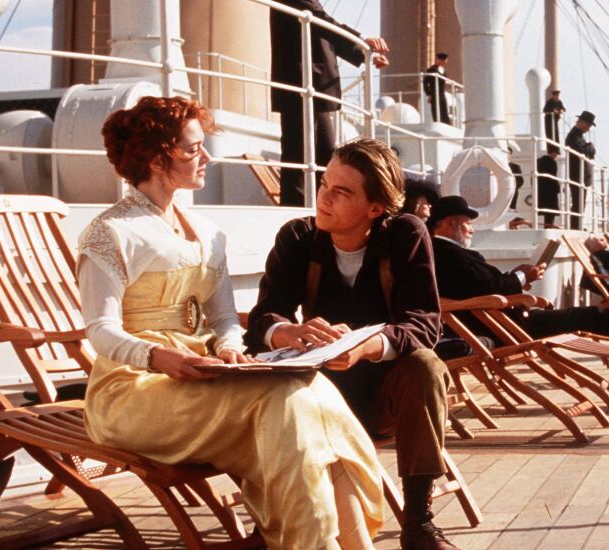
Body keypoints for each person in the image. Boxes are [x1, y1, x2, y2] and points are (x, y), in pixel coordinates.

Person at [80, 97, 383, 550]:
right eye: (193, 149)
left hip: (203, 376)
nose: (207, 156)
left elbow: (223, 316)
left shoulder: (207, 232)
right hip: (133, 390)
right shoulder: (111, 232)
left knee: (308, 388)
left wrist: (228, 348)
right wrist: (159, 356)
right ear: (158, 159)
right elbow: (100, 330)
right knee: (287, 404)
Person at [245, 139, 459, 549]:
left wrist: (365, 346)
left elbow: (423, 324)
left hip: (383, 396)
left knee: (426, 366)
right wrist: (289, 332)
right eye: (324, 184)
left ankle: (418, 522)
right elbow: (262, 319)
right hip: (315, 396)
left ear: (375, 208)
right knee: (268, 386)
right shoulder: (299, 237)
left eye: (341, 192)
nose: (323, 198)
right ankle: (274, 523)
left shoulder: (404, 234)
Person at [429, 197, 609, 343]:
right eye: (468, 223)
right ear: (450, 223)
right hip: (501, 327)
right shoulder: (447, 253)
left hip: (502, 321)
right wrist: (521, 277)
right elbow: (486, 288)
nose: (472, 229)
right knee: (588, 316)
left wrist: (517, 275)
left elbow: (478, 284)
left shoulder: (447, 252)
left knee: (587, 315)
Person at [271, 0, 390, 206]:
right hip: (300, 84)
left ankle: (322, 210)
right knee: (299, 155)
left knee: (325, 156)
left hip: (313, 86)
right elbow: (320, 20)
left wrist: (365, 54)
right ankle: (295, 212)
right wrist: (361, 42)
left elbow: (322, 27)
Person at [565, 111, 597, 230]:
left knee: (580, 202)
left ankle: (577, 225)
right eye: (588, 125)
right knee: (578, 202)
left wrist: (589, 148)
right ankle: (575, 226)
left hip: (582, 175)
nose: (588, 128)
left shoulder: (579, 136)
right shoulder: (573, 136)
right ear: (582, 122)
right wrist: (590, 146)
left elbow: (587, 151)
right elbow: (581, 151)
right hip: (577, 174)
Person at [536, 144, 561, 227]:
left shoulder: (538, 161)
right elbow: (553, 176)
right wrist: (558, 189)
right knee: (550, 212)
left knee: (542, 210)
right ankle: (548, 226)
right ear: (553, 152)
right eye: (556, 153)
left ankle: (545, 226)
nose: (556, 156)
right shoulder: (552, 162)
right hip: (550, 191)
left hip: (540, 190)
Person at [423, 52, 451, 124]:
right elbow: (425, 82)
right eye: (444, 61)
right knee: (436, 112)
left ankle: (446, 124)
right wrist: (429, 94)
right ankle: (438, 123)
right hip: (434, 94)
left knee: (444, 112)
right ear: (439, 60)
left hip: (442, 94)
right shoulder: (431, 70)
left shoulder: (442, 70)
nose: (445, 63)